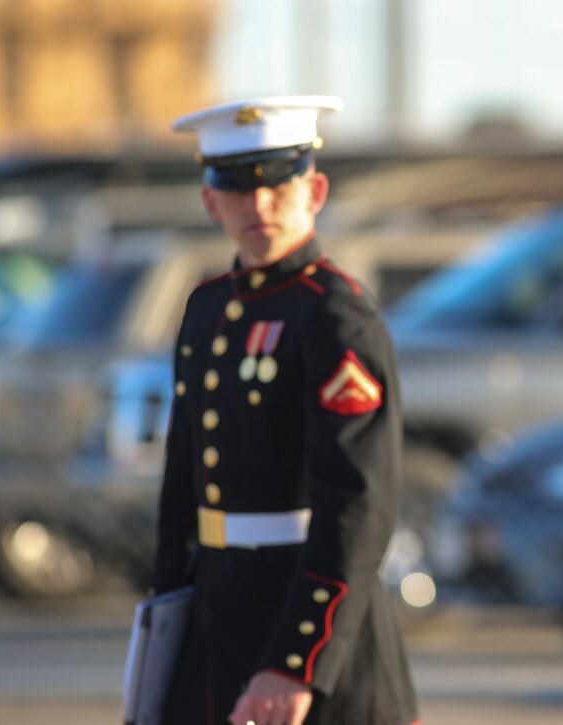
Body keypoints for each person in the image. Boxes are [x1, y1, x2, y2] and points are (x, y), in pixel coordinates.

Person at [153, 96, 419, 725]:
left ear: (316, 190)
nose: (260, 206)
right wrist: (165, 619)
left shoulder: (333, 313)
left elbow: (358, 506)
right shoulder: (207, 307)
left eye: (279, 184)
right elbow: (180, 483)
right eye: (238, 191)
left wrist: (296, 661)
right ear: (210, 201)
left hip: (313, 629)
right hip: (214, 618)